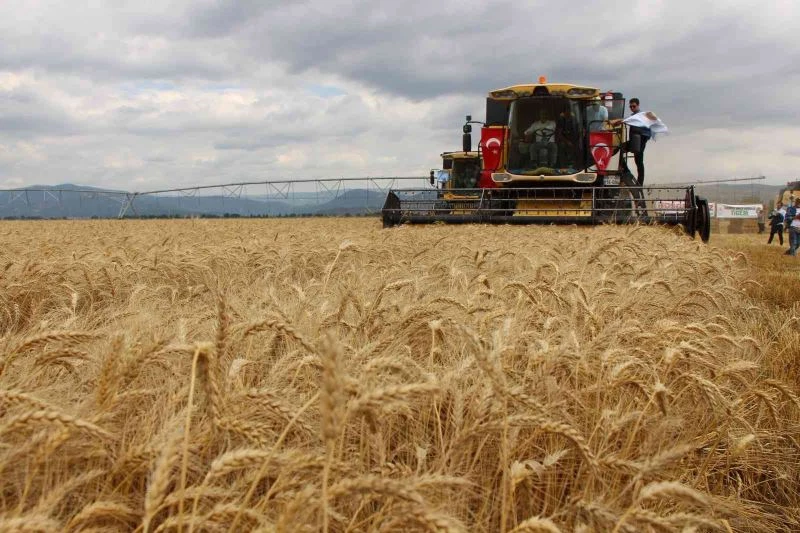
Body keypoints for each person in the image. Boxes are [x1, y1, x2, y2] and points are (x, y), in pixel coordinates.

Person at [625, 98, 651, 186]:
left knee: (639, 161)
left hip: (640, 141)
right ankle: (625, 171)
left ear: (638, 105)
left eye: (634, 106)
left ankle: (640, 183)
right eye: (630, 107)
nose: (632, 108)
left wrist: (642, 140)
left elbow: (648, 131)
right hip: (633, 141)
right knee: (619, 149)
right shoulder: (633, 116)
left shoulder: (642, 116)